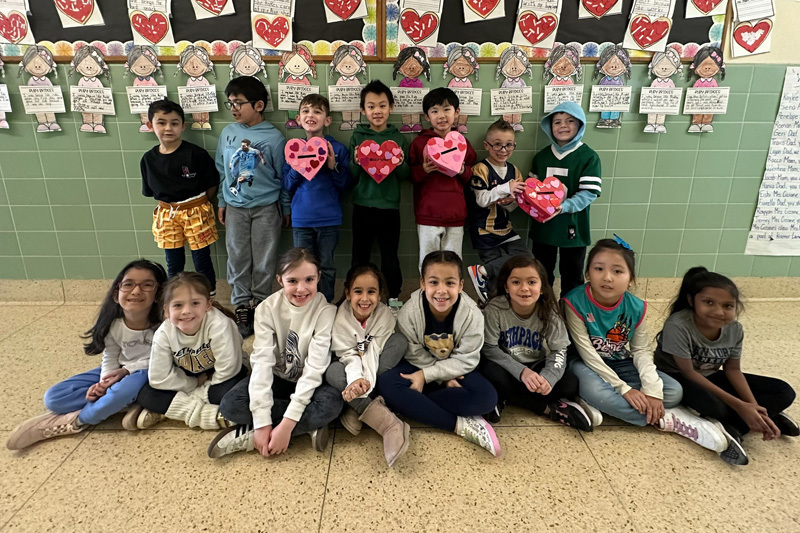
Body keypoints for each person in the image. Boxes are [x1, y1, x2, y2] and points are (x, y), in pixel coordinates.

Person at [564, 238, 728, 455]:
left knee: (673, 391)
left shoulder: (636, 307)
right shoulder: (574, 302)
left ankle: (638, 408)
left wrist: (652, 392)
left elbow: (641, 350)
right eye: (598, 269)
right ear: (587, 273)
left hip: (621, 361)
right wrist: (625, 389)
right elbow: (588, 353)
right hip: (583, 363)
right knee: (600, 393)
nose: (607, 277)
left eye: (617, 271)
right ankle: (668, 419)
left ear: (630, 278)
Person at [6, 260, 167, 450]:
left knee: (125, 388)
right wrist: (104, 382)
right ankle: (121, 403)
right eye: (128, 284)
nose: (136, 291)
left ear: (158, 294)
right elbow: (110, 356)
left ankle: (76, 420)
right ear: (116, 293)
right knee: (54, 398)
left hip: (148, 372)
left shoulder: (165, 325)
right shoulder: (113, 325)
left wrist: (126, 372)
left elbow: (163, 359)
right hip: (120, 371)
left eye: (147, 285)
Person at [654, 267, 798, 465]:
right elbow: (688, 372)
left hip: (710, 375)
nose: (719, 311)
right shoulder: (678, 325)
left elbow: (732, 370)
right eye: (709, 303)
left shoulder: (734, 329)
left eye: (728, 306)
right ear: (691, 301)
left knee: (785, 392)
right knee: (716, 407)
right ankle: (756, 419)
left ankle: (747, 422)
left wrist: (752, 405)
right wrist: (741, 405)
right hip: (678, 376)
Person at [209, 248, 343, 458]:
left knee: (333, 403)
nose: (301, 288)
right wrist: (262, 422)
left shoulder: (326, 312)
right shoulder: (266, 309)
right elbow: (262, 364)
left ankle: (252, 436)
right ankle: (307, 425)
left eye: (309, 279)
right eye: (292, 281)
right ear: (280, 280)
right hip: (277, 377)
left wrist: (287, 425)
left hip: (311, 383)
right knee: (230, 405)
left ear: (319, 277)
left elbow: (315, 369)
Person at [377, 251, 501, 456]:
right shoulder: (410, 311)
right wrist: (439, 378)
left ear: (461, 285)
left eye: (450, 283)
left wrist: (429, 376)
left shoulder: (472, 314)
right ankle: (459, 424)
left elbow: (467, 358)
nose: (441, 291)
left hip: (454, 368)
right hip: (419, 365)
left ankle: (414, 403)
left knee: (487, 398)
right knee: (387, 383)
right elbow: (412, 351)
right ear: (423, 283)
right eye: (434, 282)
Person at [480, 256, 591, 430]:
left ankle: (506, 398)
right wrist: (521, 372)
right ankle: (547, 408)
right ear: (506, 287)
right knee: (489, 372)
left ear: (541, 288)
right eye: (516, 282)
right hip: (506, 367)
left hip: (535, 365)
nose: (524, 288)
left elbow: (559, 351)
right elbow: (490, 348)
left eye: (532, 282)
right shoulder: (495, 309)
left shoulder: (549, 312)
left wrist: (548, 378)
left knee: (570, 383)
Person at [216, 76, 289, 338]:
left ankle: (259, 302)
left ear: (259, 105)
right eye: (230, 103)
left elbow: (282, 176)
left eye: (239, 103)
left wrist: (285, 207)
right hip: (235, 206)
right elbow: (222, 171)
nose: (233, 108)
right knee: (237, 256)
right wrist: (222, 202)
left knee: (264, 257)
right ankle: (241, 304)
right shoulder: (227, 133)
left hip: (266, 208)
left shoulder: (273, 138)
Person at [135, 273, 247, 430]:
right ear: (166, 310)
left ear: (208, 305)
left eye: (195, 303)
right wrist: (193, 383)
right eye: (178, 305)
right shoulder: (164, 333)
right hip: (190, 377)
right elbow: (158, 378)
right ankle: (215, 416)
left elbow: (228, 370)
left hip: (222, 379)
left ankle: (169, 409)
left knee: (237, 392)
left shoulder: (220, 325)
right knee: (146, 394)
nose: (186, 311)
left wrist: (195, 391)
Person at [325, 264, 410, 467]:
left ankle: (357, 406)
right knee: (332, 372)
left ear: (380, 294)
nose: (364, 299)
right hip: (348, 365)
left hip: (375, 360)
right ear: (347, 293)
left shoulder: (385, 316)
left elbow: (372, 354)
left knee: (399, 342)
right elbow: (349, 355)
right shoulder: (338, 319)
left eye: (371, 292)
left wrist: (363, 386)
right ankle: (385, 420)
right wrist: (355, 380)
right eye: (358, 291)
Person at [141, 99, 218, 293]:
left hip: (196, 210)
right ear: (150, 125)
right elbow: (151, 191)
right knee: (173, 260)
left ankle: (209, 297)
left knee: (201, 257)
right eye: (161, 122)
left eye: (174, 123)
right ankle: (173, 298)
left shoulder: (195, 154)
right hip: (167, 213)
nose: (168, 128)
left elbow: (212, 184)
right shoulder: (148, 159)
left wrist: (197, 204)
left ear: (183, 126)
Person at [528, 101, 601, 298]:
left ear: (580, 125)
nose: (563, 126)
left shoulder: (588, 157)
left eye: (570, 121)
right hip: (544, 227)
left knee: (572, 274)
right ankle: (544, 308)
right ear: (549, 126)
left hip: (573, 226)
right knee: (542, 272)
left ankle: (571, 312)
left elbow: (589, 193)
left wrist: (564, 206)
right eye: (557, 121)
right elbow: (532, 189)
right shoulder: (542, 157)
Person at [282, 94, 350, 303]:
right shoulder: (292, 148)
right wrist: (296, 169)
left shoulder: (337, 149)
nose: (311, 115)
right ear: (298, 119)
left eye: (317, 112)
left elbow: (346, 185)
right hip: (302, 219)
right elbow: (286, 185)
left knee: (327, 265)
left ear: (327, 120)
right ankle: (306, 305)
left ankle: (326, 305)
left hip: (329, 218)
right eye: (306, 111)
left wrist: (333, 167)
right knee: (302, 267)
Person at [349, 80, 410, 309]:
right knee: (360, 255)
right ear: (363, 110)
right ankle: (354, 297)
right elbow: (351, 175)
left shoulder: (399, 139)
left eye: (382, 105)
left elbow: (404, 176)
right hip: (362, 205)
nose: (377, 111)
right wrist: (355, 162)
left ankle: (393, 297)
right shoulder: (358, 137)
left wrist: (401, 163)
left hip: (389, 207)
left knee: (389, 255)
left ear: (391, 108)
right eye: (371, 106)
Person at [409, 87, 477, 273]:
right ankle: (426, 293)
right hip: (427, 214)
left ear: (457, 113)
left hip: (456, 214)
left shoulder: (462, 143)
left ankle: (454, 295)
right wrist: (423, 170)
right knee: (427, 260)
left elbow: (472, 174)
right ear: (426, 116)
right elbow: (410, 176)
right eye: (435, 111)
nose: (441, 115)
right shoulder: (419, 143)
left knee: (454, 261)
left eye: (447, 109)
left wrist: (462, 170)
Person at [466, 119, 531, 302]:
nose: (503, 150)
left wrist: (509, 201)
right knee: (494, 278)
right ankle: (489, 303)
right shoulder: (480, 168)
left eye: (509, 145)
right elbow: (481, 200)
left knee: (526, 258)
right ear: (487, 145)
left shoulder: (514, 170)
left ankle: (482, 271)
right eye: (497, 145)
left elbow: (514, 203)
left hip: (505, 227)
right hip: (484, 230)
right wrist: (505, 189)